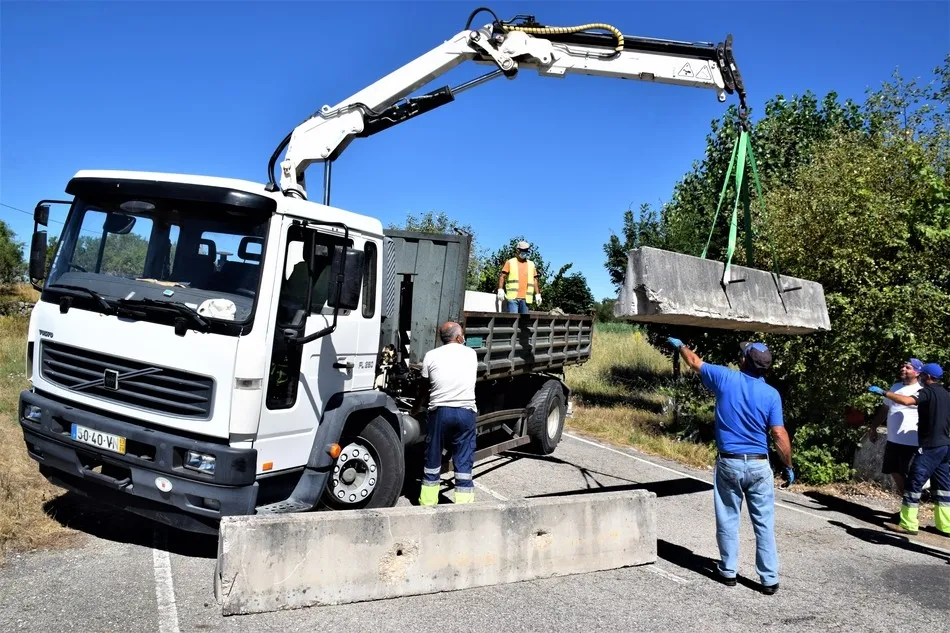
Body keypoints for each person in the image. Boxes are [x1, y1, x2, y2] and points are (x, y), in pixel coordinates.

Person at [668, 337, 793, 594]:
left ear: (744, 361)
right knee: (764, 523)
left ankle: (728, 571)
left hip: (729, 462)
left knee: (728, 518)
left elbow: (694, 361)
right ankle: (769, 579)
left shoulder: (726, 378)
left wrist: (680, 346)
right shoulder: (772, 394)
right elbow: (779, 434)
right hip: (759, 465)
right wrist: (788, 465)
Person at [869, 362, 949, 537]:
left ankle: (908, 524)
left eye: (923, 375)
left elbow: (906, 401)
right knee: (942, 486)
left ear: (927, 377)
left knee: (914, 481)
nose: (921, 378)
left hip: (929, 446)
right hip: (944, 445)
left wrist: (883, 392)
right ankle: (945, 526)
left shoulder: (926, 391)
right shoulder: (946, 394)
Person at [417, 321, 479, 506]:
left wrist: (416, 408)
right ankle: (464, 503)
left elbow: (424, 387)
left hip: (440, 413)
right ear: (459, 337)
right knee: (464, 458)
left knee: (433, 456)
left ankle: (428, 502)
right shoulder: (471, 354)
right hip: (466, 413)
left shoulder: (430, 355)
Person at [867, 359, 923, 497]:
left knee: (910, 474)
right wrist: (873, 427)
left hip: (911, 441)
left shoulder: (921, 390)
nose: (903, 369)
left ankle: (912, 500)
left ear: (917, 372)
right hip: (893, 439)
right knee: (893, 469)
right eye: (903, 366)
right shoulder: (895, 387)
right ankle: (906, 499)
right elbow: (885, 409)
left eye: (908, 367)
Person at [497, 241, 541, 314]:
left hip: (526, 299)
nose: (524, 252)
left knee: (524, 320)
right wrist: (500, 289)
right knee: (513, 319)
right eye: (522, 250)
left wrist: (537, 294)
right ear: (518, 250)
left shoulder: (531, 264)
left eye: (526, 250)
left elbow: (535, 280)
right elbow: (502, 276)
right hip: (512, 298)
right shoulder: (510, 262)